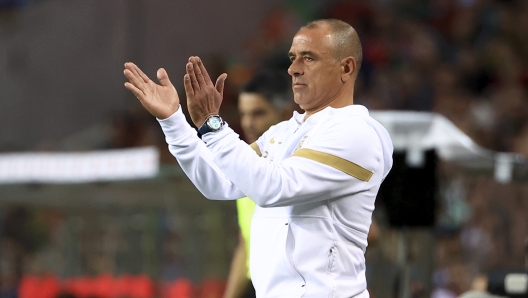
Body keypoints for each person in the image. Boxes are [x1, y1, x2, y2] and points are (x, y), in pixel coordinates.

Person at [124, 19, 393, 297]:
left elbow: (273, 188)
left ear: (346, 68)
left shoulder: (358, 133)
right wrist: (172, 120)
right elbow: (219, 181)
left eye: (308, 58)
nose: (293, 68)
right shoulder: (283, 132)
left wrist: (212, 124)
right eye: (292, 58)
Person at [224, 70, 294, 298]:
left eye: (258, 114)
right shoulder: (247, 166)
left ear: (284, 114)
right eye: (243, 114)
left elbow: (369, 233)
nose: (247, 123)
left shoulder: (302, 165)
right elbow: (246, 245)